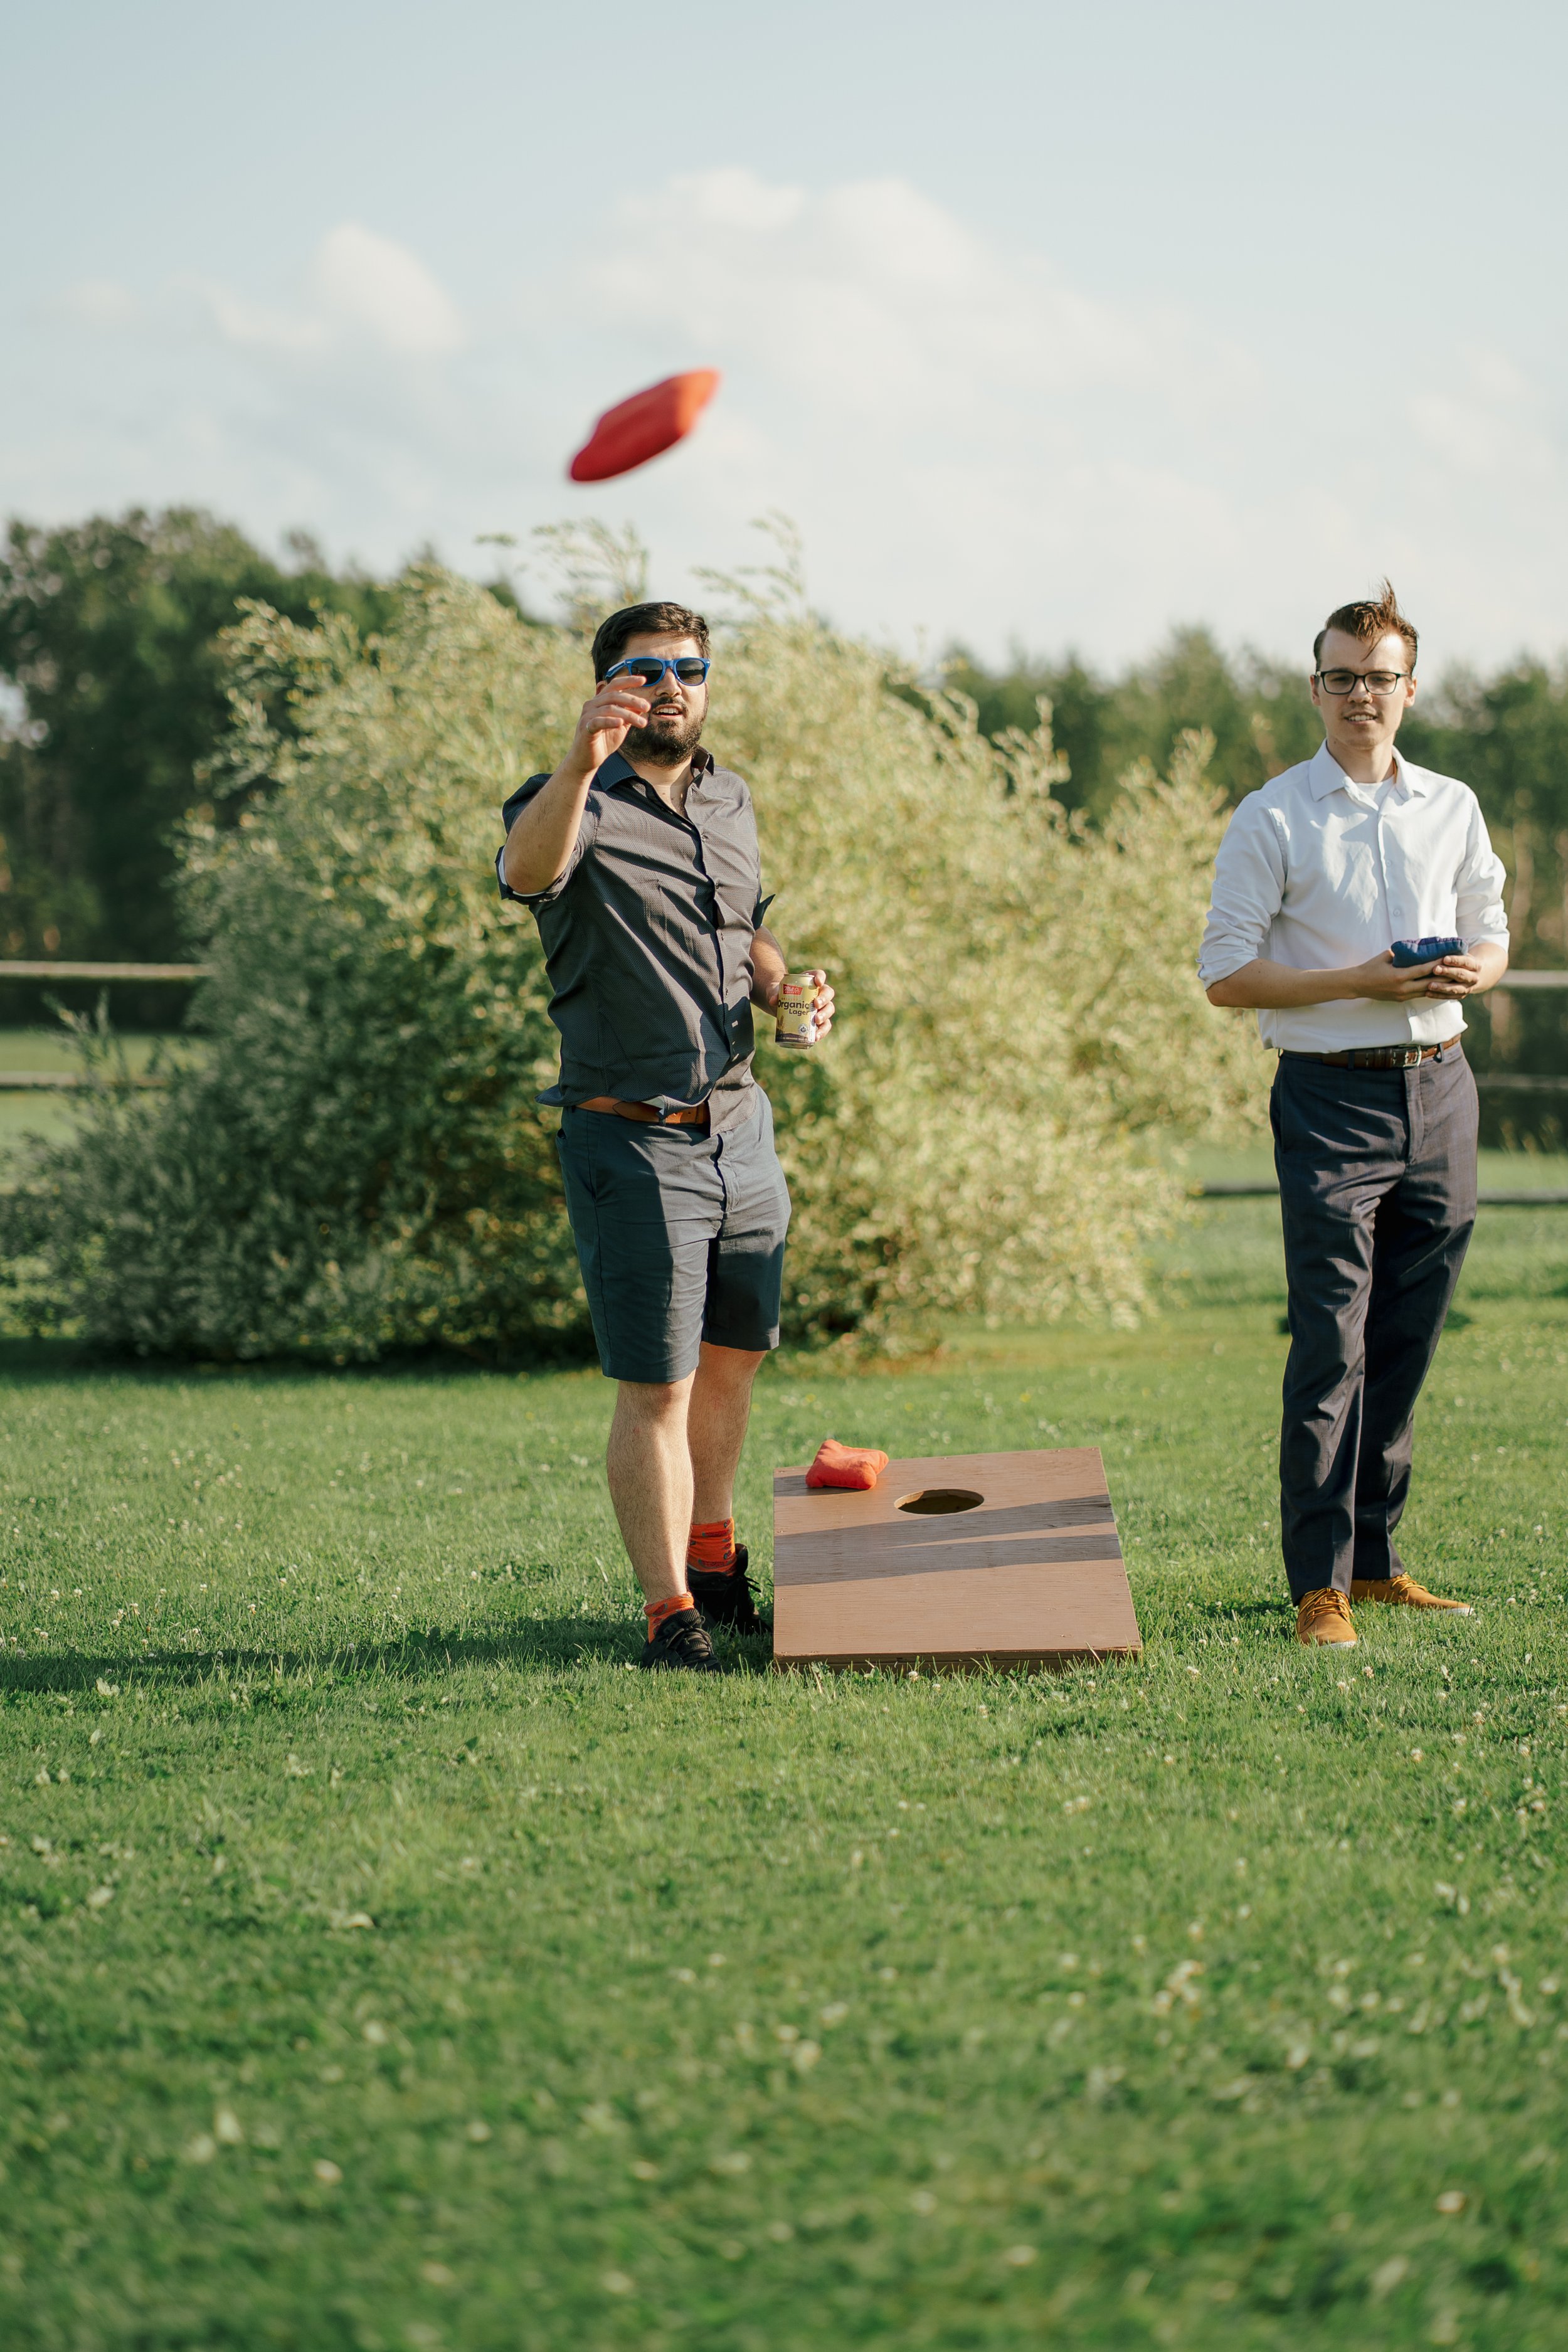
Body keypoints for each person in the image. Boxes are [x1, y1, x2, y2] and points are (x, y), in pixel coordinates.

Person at [497, 600, 833, 1673]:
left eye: (690, 667)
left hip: (743, 1128)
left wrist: (787, 986)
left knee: (734, 1363)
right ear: (607, 684)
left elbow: (744, 931)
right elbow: (528, 875)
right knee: (659, 1385)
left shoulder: (731, 797)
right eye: (647, 670)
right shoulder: (567, 800)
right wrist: (579, 762)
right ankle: (669, 1612)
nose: (672, 686)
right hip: (632, 1141)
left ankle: (718, 1561)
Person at [1198, 582, 1509, 1649]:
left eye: (1379, 677)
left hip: (1444, 1085)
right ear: (1316, 689)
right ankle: (1318, 1585)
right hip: (1331, 1100)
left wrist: (1478, 971)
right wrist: (1362, 982)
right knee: (1331, 1343)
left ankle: (1376, 1565)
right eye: (1341, 677)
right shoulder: (1272, 814)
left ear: (1409, 690)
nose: (1359, 694)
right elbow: (1228, 977)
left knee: (1409, 1338)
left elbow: (1495, 929)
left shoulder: (1452, 805)